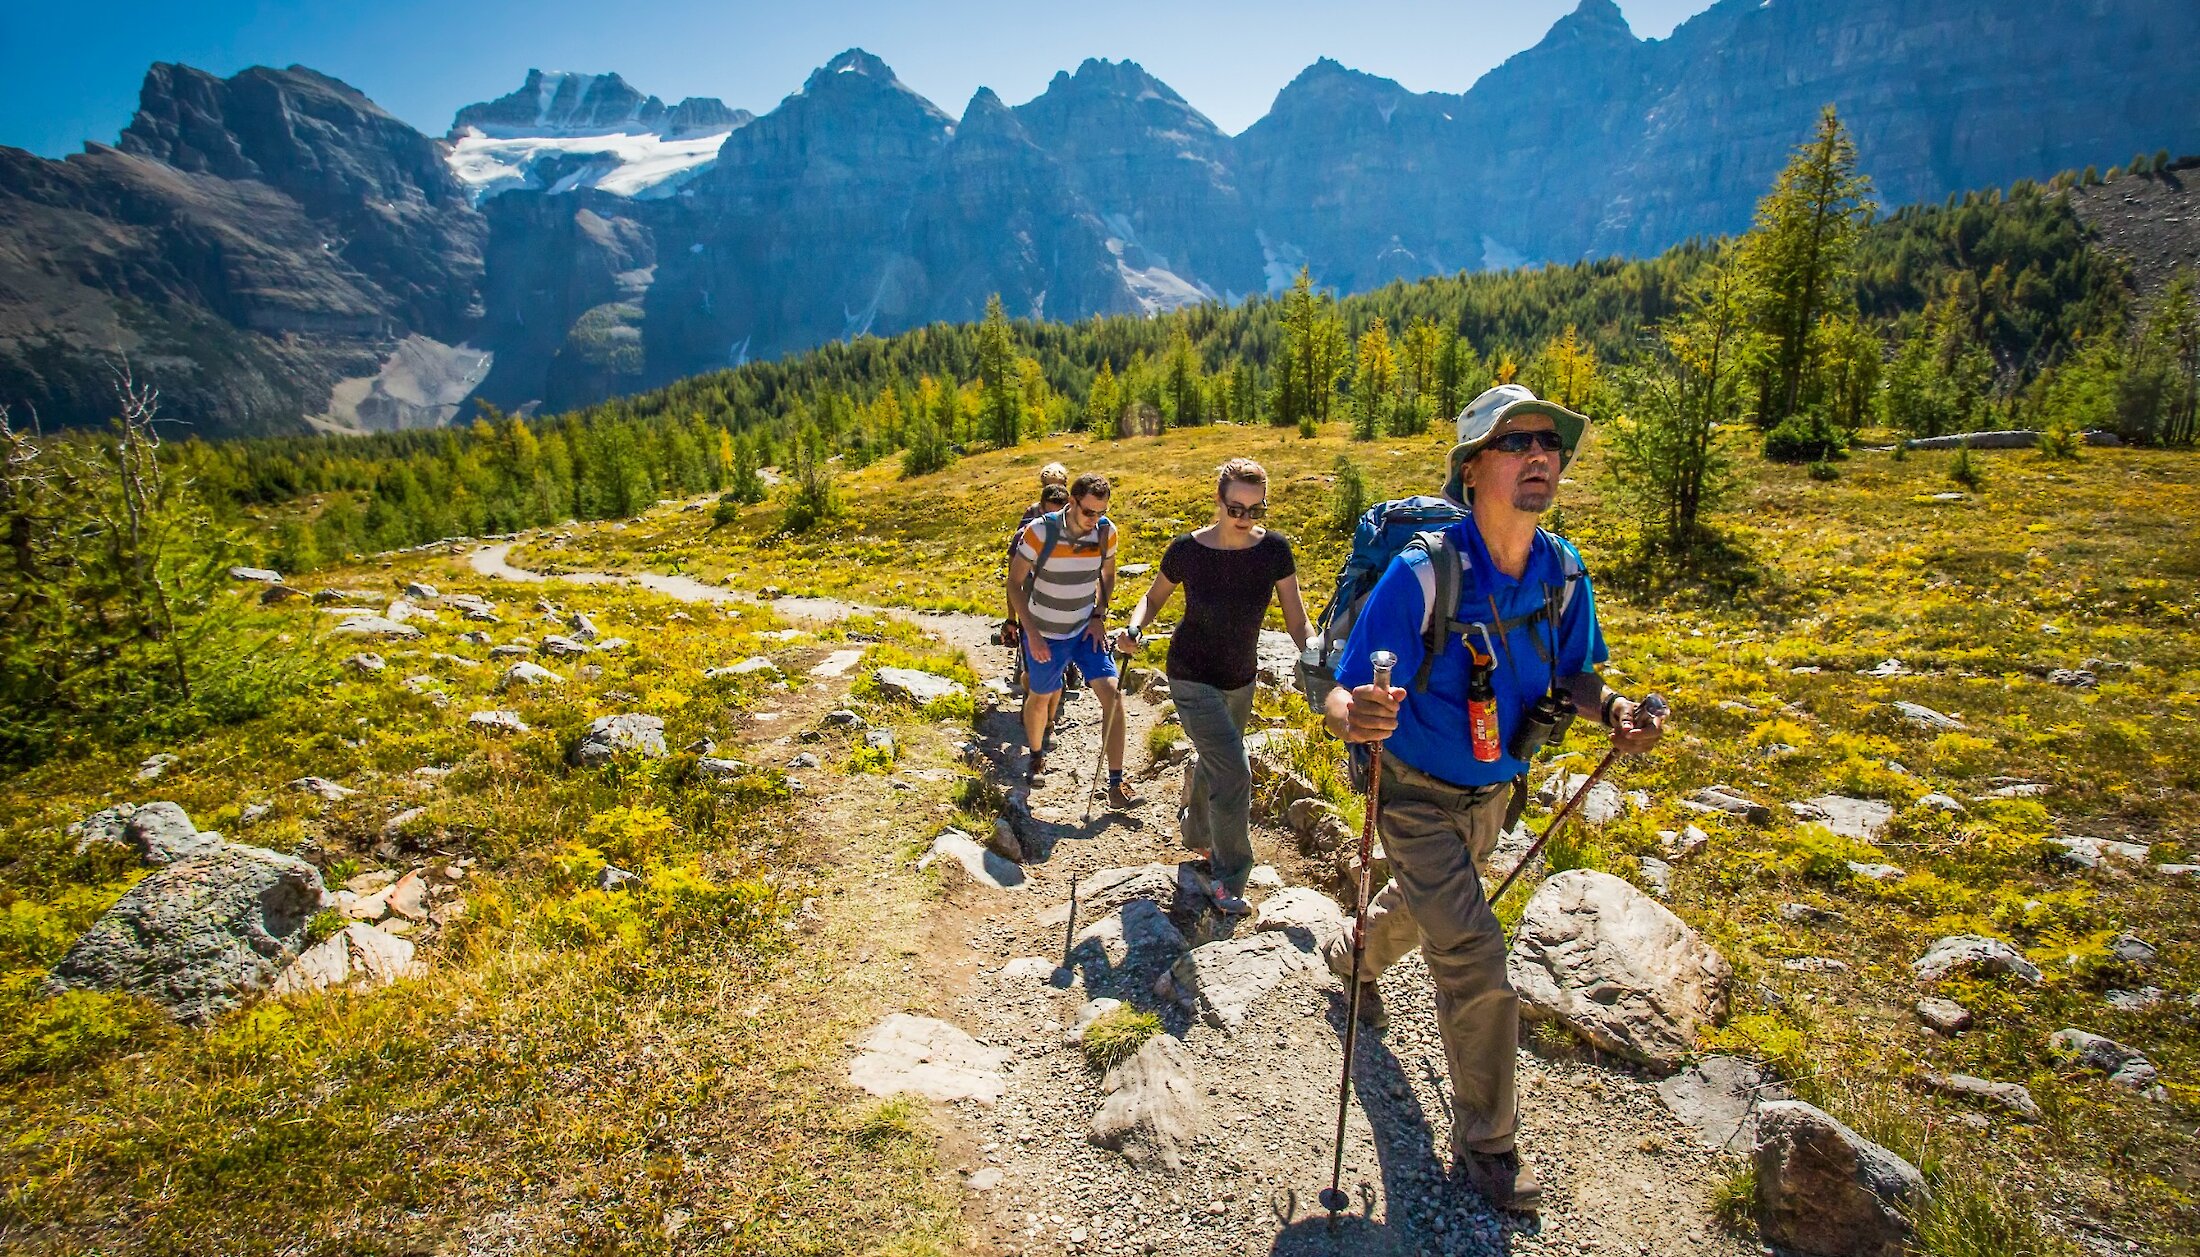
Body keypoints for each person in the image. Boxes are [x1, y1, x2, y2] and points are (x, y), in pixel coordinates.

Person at [1323, 384, 1668, 1214]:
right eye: (1520, 444)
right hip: (1410, 795)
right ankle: (1489, 1142)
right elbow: (1340, 693)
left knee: (1442, 905)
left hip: (1495, 794)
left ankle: (1353, 958)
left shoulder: (1563, 572)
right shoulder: (1423, 573)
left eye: (1551, 443)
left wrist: (1613, 708)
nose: (1542, 455)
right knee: (1476, 956)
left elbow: (1577, 672)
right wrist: (1356, 715)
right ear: (1474, 469)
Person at [1116, 458, 1311, 915]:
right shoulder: (1187, 550)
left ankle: (1198, 833)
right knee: (1235, 771)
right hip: (1190, 674)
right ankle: (1229, 876)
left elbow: (1297, 618)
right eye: (1235, 508)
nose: (1244, 519)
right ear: (1218, 501)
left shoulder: (1274, 551)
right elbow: (1153, 597)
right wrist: (1135, 628)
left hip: (1241, 677)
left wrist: (1317, 655)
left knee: (1218, 759)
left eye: (1255, 510)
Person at [1006, 472, 1137, 806]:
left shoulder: (1106, 532)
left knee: (1112, 695)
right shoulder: (1040, 531)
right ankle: (1036, 755)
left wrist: (1099, 616)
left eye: (1101, 511)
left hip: (1084, 629)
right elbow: (1015, 584)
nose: (1095, 519)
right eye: (1088, 512)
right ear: (1072, 502)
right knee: (1040, 695)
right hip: (1045, 631)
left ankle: (1116, 784)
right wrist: (1030, 633)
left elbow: (1107, 575)